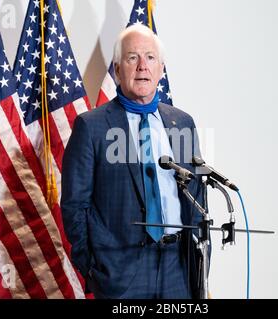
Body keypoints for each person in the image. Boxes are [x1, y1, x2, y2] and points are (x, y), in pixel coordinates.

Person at [61, 24, 205, 299]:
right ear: (117, 70)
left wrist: (196, 264)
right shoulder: (91, 127)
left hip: (178, 269)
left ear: (161, 69)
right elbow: (74, 206)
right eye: (132, 58)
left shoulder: (182, 123)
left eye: (150, 58)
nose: (142, 67)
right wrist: (95, 269)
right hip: (120, 273)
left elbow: (197, 198)